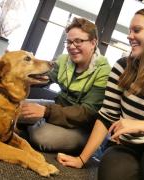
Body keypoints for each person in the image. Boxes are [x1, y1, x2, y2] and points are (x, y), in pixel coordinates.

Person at [57, 7, 144, 180]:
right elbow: (106, 117)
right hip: (125, 145)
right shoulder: (122, 67)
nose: (129, 36)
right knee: (112, 173)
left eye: (137, 30)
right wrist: (82, 159)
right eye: (129, 31)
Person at [20, 17, 111, 154]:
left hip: (81, 126)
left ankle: (24, 127)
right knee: (13, 107)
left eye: (78, 41)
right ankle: (27, 126)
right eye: (68, 42)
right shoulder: (64, 59)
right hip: (57, 109)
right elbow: (46, 78)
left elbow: (86, 113)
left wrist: (46, 112)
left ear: (93, 43)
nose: (71, 46)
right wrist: (23, 74)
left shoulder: (104, 71)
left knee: (42, 137)